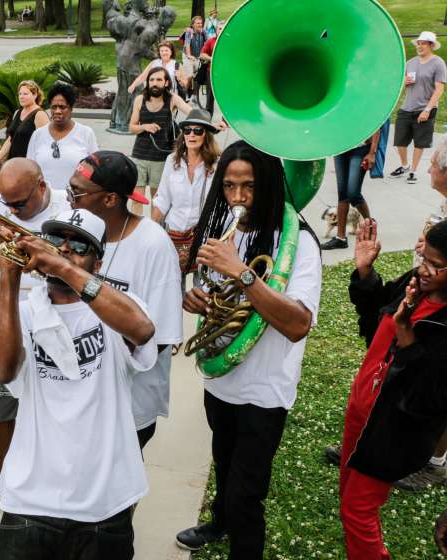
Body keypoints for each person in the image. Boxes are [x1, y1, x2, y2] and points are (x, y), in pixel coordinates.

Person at [175, 141, 322, 556]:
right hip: (222, 383)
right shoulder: (228, 232)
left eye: (249, 187)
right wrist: (197, 299)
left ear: (270, 184)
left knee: (247, 497)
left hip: (264, 391)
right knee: (224, 465)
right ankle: (219, 523)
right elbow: (211, 292)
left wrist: (241, 274)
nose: (238, 198)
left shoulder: (299, 244)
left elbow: (297, 324)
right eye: (229, 187)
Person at [0, 207, 157, 559]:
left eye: (79, 247)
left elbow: (142, 330)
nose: (63, 249)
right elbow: (1, 372)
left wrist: (62, 266)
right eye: (55, 241)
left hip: (104, 502)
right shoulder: (24, 311)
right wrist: (9, 277)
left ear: (98, 264)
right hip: (31, 500)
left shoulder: (120, 306)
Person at [0, 158, 70, 512]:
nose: (11, 210)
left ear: (40, 186)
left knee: (54, 411)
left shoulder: (69, 208)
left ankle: (52, 480)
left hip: (55, 321)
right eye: (6, 203)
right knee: (1, 406)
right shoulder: (2, 205)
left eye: (18, 204)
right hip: (8, 318)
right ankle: (2, 475)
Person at [338, 219, 447, 559]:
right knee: (348, 498)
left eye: (436, 265)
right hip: (363, 409)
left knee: (357, 511)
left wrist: (407, 336)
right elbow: (374, 327)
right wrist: (366, 274)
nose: (423, 269)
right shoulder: (413, 286)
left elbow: (432, 397)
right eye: (422, 257)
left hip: (393, 431)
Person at [68, 151, 183, 450]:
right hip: (79, 398)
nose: (70, 199)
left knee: (116, 491)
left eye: (77, 193)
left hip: (126, 404)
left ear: (110, 199)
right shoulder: (76, 231)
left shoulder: (154, 245)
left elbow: (159, 338)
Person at [152, 109, 221, 278]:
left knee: (203, 287)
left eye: (198, 130)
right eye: (187, 130)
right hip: (173, 232)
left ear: (206, 135)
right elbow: (163, 198)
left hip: (203, 235)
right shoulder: (172, 161)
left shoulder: (215, 165)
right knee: (174, 286)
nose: (191, 134)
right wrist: (150, 230)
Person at [129, 67, 194, 216]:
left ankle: (153, 232)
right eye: (151, 80)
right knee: (137, 199)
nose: (154, 83)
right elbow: (132, 127)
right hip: (139, 155)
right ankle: (135, 233)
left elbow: (192, 112)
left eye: (159, 80)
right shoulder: (140, 99)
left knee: (157, 200)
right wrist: (144, 126)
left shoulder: (172, 99)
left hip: (161, 158)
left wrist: (211, 124)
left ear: (166, 83)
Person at [391, 32, 445, 185]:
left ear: (431, 45)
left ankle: (413, 171)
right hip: (407, 108)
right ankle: (404, 165)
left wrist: (427, 110)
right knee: (400, 142)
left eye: (423, 43)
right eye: (418, 43)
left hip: (425, 109)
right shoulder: (411, 63)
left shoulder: (438, 63)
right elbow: (401, 85)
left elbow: (439, 89)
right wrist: (405, 82)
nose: (419, 46)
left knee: (419, 143)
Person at [26, 83, 99, 190]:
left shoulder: (86, 133)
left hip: (75, 201)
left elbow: (95, 169)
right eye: (54, 107)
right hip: (44, 201)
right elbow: (30, 169)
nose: (57, 111)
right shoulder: (38, 135)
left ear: (71, 108)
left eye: (62, 107)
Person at [321, 129, 381, 250]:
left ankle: (369, 224)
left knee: (353, 192)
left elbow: (376, 124)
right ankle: (340, 238)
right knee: (342, 193)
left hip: (361, 148)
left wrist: (372, 152)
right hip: (341, 147)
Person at [0, 80, 50, 176]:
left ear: (35, 95)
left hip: (30, 167)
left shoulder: (40, 115)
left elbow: (47, 143)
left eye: (25, 94)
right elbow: (10, 139)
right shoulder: (17, 113)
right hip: (14, 163)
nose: (21, 97)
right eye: (20, 94)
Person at [197, 20, 224, 114]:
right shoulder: (210, 41)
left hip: (225, 73)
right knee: (210, 96)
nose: (221, 30)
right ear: (216, 30)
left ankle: (225, 120)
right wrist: (212, 58)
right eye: (220, 28)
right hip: (211, 72)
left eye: (223, 28)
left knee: (225, 96)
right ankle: (208, 117)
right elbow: (202, 55)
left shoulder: (230, 42)